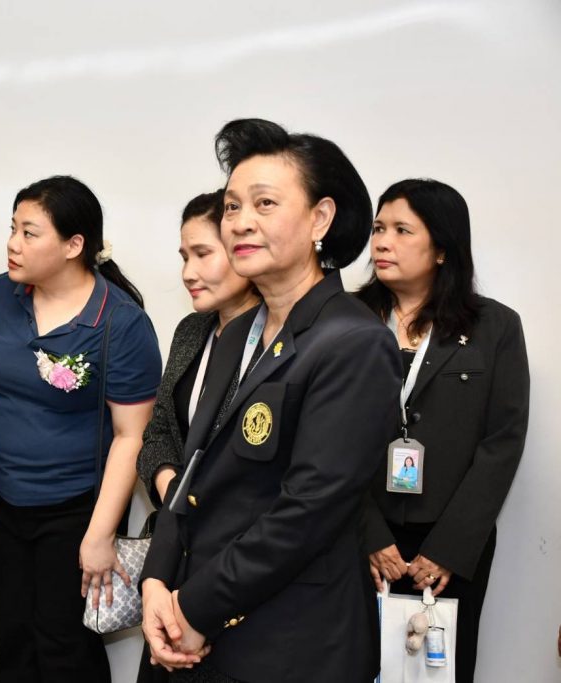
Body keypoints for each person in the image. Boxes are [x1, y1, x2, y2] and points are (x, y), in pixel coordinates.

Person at [140, 118, 401, 682]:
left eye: (264, 203)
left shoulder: (354, 343)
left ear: (320, 219)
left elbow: (307, 512)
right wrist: (157, 580)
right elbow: (192, 474)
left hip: (289, 642)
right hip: (196, 619)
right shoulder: (235, 333)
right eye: (232, 206)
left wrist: (193, 608)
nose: (240, 222)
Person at [0, 175, 162, 682]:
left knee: (65, 650)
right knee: (14, 643)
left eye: (29, 233)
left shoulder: (120, 322)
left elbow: (131, 436)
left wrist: (100, 534)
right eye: (12, 228)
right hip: (9, 501)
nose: (13, 243)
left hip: (76, 508)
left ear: (74, 245)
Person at [360, 178, 529, 683]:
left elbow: (502, 443)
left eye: (402, 230)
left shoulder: (495, 327)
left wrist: (448, 548)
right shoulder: (348, 319)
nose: (382, 242)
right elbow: (322, 440)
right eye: (378, 228)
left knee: (436, 670)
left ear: (441, 249)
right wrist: (367, 533)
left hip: (449, 543)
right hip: (357, 534)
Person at [135, 192, 259, 683]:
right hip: (174, 548)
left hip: (235, 563)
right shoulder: (192, 330)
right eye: (184, 256)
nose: (189, 272)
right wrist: (172, 490)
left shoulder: (279, 341)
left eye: (203, 254)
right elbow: (159, 430)